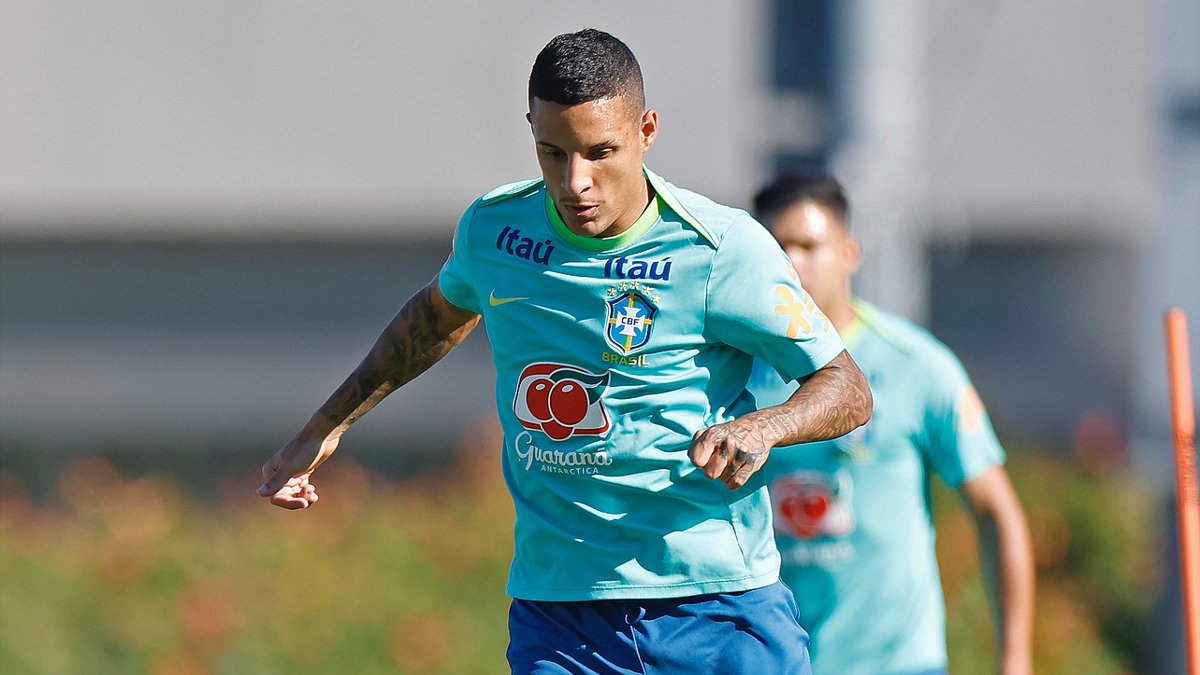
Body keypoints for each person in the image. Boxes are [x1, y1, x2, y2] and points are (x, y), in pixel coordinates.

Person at [257, 29, 872, 674]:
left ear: (647, 129)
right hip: (561, 616)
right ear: (531, 130)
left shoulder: (721, 249)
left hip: (714, 605)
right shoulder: (496, 231)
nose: (576, 181)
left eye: (600, 151)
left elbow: (847, 388)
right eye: (553, 152)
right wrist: (328, 425)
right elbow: (436, 318)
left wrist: (765, 426)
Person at [749, 173, 1035, 675]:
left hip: (899, 662)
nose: (793, 264)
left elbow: (996, 510)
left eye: (809, 246)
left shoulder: (915, 364)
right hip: (779, 662)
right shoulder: (738, 371)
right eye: (777, 248)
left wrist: (1015, 658)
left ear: (850, 253)